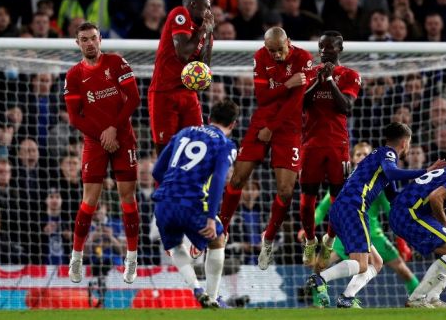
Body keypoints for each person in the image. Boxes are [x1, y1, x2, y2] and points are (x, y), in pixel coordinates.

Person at [307, 123, 446, 308]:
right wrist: (425, 171)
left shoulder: (377, 162)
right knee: (362, 265)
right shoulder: (387, 154)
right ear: (404, 143)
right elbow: (392, 172)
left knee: (377, 263)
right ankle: (321, 278)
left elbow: (394, 198)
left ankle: (347, 297)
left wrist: (423, 196)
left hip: (343, 209)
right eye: (409, 144)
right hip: (354, 209)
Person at [218, 27, 312, 270]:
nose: (276, 55)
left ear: (288, 42)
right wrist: (287, 83)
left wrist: (273, 126)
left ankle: (268, 239)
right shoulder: (261, 56)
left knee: (285, 189)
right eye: (272, 51)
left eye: (279, 50)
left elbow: (296, 101)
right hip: (261, 123)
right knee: (237, 178)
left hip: (289, 127)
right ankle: (221, 230)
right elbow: (262, 95)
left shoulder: (304, 58)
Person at [64, 22, 141, 284]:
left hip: (122, 137)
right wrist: (103, 134)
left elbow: (134, 99)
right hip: (96, 141)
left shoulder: (116, 62)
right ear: (78, 43)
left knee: (127, 197)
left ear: (100, 40)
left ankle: (131, 259)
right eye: (84, 39)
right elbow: (75, 118)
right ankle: (76, 257)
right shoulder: (74, 75)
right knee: (90, 201)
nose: (89, 43)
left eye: (93, 38)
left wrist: (112, 129)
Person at [299, 142, 420, 306]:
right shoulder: (345, 181)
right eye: (358, 154)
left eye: (365, 154)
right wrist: (308, 227)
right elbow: (322, 209)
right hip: (350, 227)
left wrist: (401, 242)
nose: (362, 157)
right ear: (352, 158)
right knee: (321, 265)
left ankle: (418, 298)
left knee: (394, 268)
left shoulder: (378, 180)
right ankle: (318, 303)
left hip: (373, 234)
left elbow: (391, 209)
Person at [151, 100, 239, 309]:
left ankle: (196, 289)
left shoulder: (183, 132)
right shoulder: (225, 144)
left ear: (209, 119)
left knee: (174, 246)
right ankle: (213, 296)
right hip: (191, 202)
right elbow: (218, 179)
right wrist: (210, 216)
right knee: (218, 239)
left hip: (163, 201)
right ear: (233, 124)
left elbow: (156, 172)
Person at [299, 30, 360, 265]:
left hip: (338, 145)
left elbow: (346, 107)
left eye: (331, 47)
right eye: (322, 46)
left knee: (338, 199)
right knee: (307, 200)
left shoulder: (350, 75)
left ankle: (330, 240)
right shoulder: (309, 74)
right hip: (310, 145)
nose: (325, 51)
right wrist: (318, 81)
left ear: (340, 49)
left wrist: (330, 80)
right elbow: (301, 103)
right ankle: (310, 241)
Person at [393, 155, 446, 308]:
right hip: (409, 214)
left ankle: (433, 297)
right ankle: (416, 298)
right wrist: (445, 223)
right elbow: (434, 198)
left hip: (406, 212)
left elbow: (430, 202)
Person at [148, 0, 214, 155]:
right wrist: (202, 32)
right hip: (164, 92)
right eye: (206, 8)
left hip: (188, 94)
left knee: (196, 146)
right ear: (193, 4)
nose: (209, 13)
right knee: (166, 152)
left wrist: (208, 33)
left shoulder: (204, 32)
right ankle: (164, 182)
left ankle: (190, 181)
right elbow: (183, 53)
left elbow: (204, 68)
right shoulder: (180, 13)